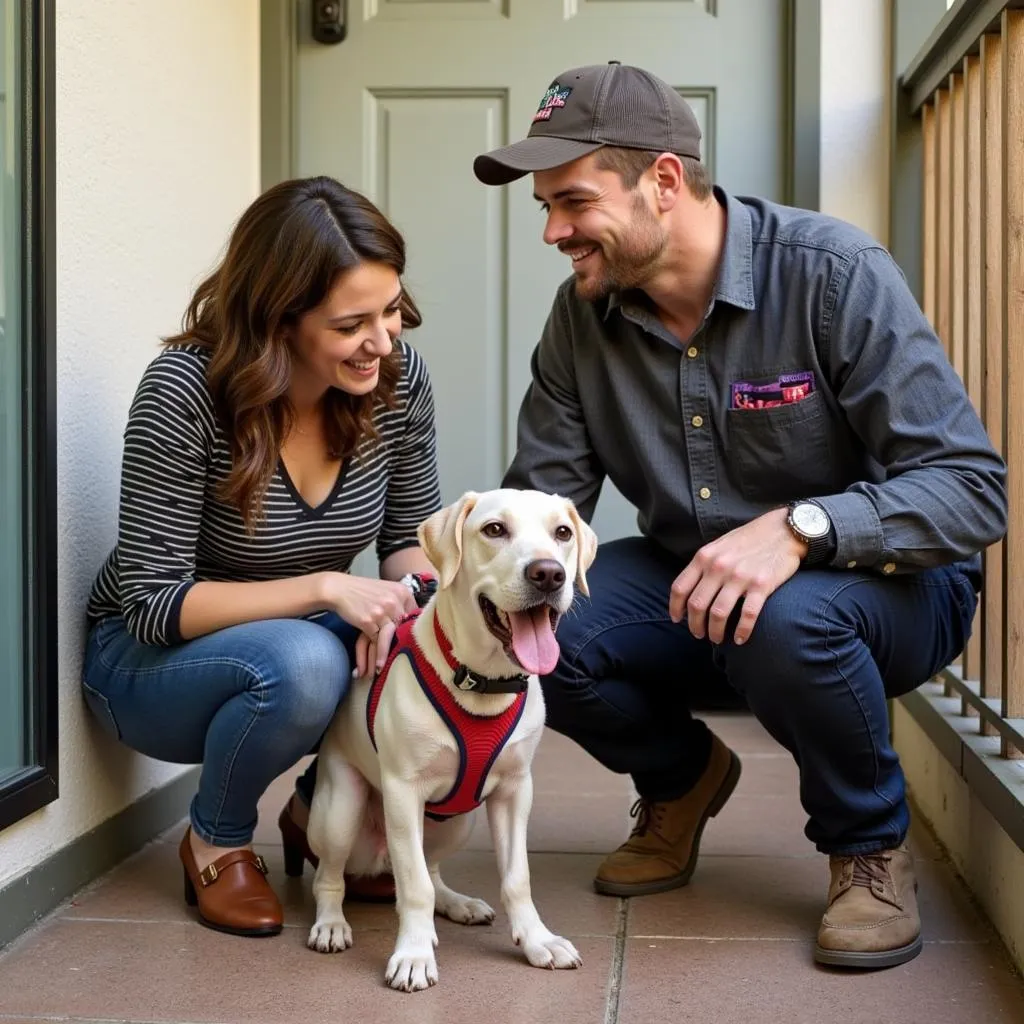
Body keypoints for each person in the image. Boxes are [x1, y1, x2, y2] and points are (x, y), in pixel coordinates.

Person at [472, 62, 1008, 969]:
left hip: (890, 590)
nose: (555, 232)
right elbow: (539, 510)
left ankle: (867, 845)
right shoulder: (580, 320)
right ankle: (683, 780)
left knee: (790, 614)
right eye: (545, 210)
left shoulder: (835, 274)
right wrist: (448, 587)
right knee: (523, 627)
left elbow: (970, 487)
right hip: (700, 583)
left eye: (573, 203)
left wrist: (803, 527)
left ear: (665, 182)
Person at [81, 176, 442, 938]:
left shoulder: (398, 384)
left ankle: (320, 808)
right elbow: (151, 604)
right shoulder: (185, 392)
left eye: (391, 311)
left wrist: (426, 609)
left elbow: (407, 538)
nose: (382, 341)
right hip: (146, 667)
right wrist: (326, 586)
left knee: (417, 641)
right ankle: (215, 838)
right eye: (352, 324)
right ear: (280, 319)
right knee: (309, 660)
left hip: (302, 633)